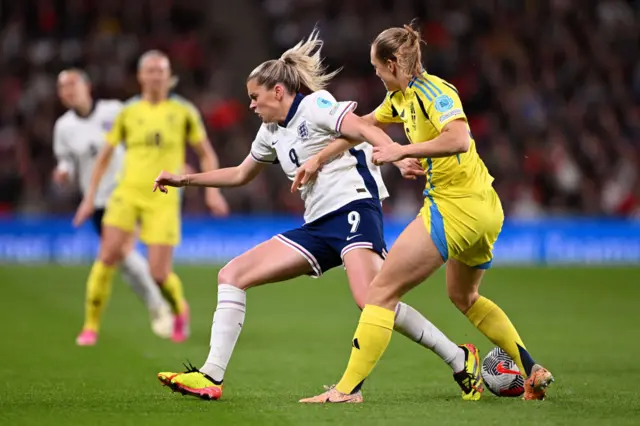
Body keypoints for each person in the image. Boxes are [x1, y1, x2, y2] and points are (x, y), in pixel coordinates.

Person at [154, 28, 483, 402]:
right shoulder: (270, 133)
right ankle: (211, 376)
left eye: (254, 97)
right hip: (319, 226)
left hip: (356, 209)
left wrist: (399, 153)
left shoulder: (316, 106)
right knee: (231, 275)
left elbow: (363, 128)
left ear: (278, 91)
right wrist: (184, 179)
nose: (251, 105)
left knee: (372, 298)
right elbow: (240, 174)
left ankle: (458, 359)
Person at [300, 23, 554, 403]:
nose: (375, 75)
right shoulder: (400, 98)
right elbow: (363, 127)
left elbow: (459, 138)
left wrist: (402, 151)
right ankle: (532, 368)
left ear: (391, 63)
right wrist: (319, 157)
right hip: (483, 208)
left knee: (380, 291)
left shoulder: (434, 91)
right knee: (464, 296)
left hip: (456, 207)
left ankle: (346, 390)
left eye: (376, 68)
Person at [72, 51, 230, 345]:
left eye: (161, 71)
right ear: (141, 76)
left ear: (169, 76)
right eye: (151, 71)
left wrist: (213, 193)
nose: (156, 76)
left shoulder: (183, 111)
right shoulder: (128, 112)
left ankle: (179, 309)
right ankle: (90, 326)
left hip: (164, 197)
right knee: (107, 256)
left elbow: (206, 153)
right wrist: (90, 197)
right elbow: (104, 157)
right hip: (127, 192)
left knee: (159, 274)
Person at [53, 69, 173, 342]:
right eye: (62, 87)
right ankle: (159, 306)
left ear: (87, 85)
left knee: (120, 252)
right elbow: (66, 161)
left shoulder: (114, 111)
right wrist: (63, 172)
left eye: (71, 84)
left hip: (127, 192)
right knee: (123, 259)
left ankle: (156, 309)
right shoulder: (63, 127)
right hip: (97, 202)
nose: (67, 90)